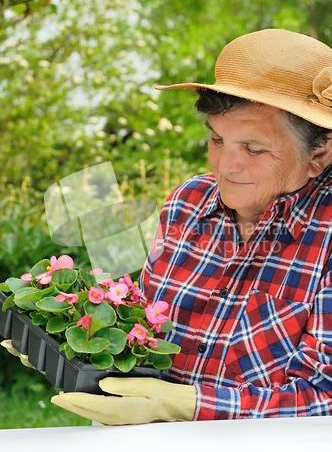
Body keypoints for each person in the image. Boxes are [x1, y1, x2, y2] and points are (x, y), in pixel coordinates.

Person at [52, 28, 332, 424]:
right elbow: (143, 330)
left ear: (319, 151)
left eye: (253, 149)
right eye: (217, 140)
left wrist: (185, 405)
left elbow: (323, 396)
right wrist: (69, 335)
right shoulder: (187, 203)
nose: (224, 166)